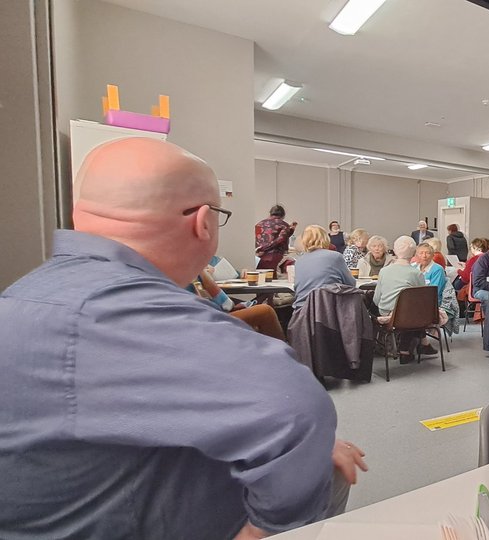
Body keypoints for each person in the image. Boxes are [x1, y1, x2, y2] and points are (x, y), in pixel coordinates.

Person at [0, 138, 366, 539]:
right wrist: (262, 528)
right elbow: (296, 412)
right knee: (322, 469)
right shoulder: (121, 313)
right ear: (204, 221)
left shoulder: (30, 294)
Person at [293, 225, 356, 311]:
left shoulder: (299, 261)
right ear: (326, 238)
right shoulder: (335, 257)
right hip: (329, 311)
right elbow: (351, 284)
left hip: (302, 311)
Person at [254, 204, 296, 272]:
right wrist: (290, 230)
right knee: (273, 276)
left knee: (261, 276)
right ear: (283, 215)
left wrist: (261, 248)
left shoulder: (259, 224)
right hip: (274, 255)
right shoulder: (284, 225)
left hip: (258, 255)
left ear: (270, 213)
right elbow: (281, 239)